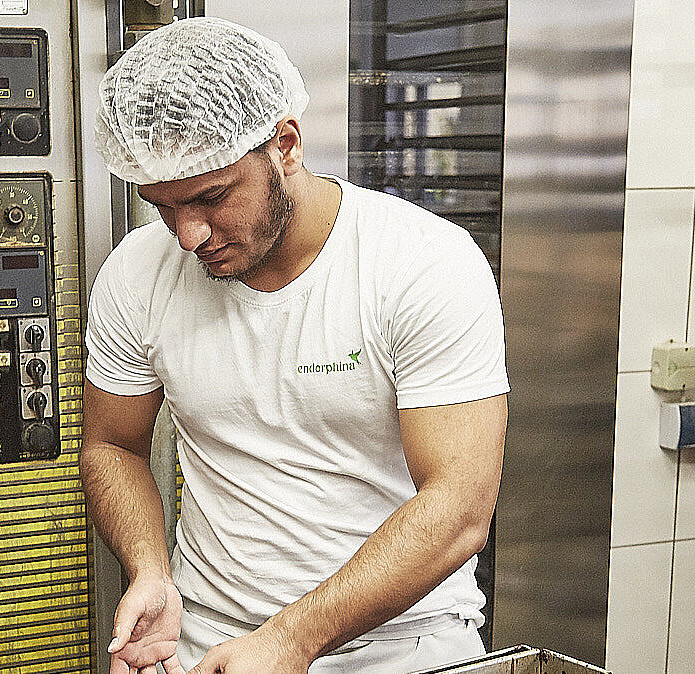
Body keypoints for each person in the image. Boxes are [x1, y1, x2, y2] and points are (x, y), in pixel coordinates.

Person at [80, 17, 508, 674]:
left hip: (404, 644)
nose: (189, 234)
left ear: (285, 144)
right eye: (163, 206)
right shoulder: (137, 274)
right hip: (214, 639)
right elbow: (113, 445)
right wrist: (150, 569)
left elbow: (459, 506)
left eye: (211, 197)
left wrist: (293, 638)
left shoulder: (422, 264)